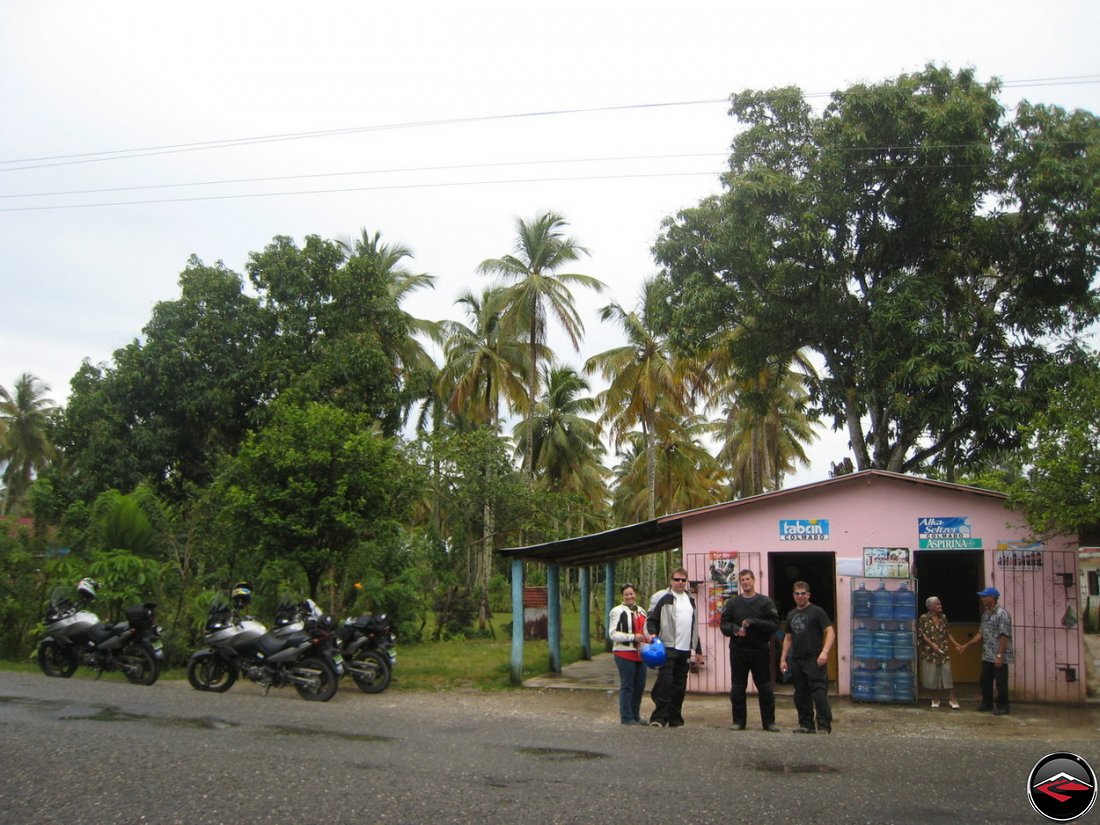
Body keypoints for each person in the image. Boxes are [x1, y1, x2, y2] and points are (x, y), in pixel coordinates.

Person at [719, 569, 780, 731]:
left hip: (759, 650)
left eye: (747, 579)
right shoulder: (732, 603)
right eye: (742, 580)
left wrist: (755, 622)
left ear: (754, 581)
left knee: (765, 687)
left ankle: (769, 722)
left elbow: (774, 625)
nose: (745, 582)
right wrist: (733, 629)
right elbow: (723, 625)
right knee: (738, 687)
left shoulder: (765, 602)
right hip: (738, 651)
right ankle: (738, 721)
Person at [646, 567, 704, 727]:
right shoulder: (664, 599)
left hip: (685, 649)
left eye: (683, 580)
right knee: (666, 682)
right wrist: (652, 634)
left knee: (679, 685)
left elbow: (693, 628)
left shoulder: (690, 600)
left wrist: (698, 649)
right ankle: (659, 718)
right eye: (677, 579)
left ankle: (675, 717)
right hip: (668, 646)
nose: (680, 583)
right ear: (671, 581)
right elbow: (651, 620)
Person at [779, 581, 835, 734]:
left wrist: (825, 652)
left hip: (815, 659)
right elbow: (788, 638)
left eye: (803, 593)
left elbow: (830, 632)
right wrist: (783, 659)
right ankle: (806, 725)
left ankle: (824, 726)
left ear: (808, 595)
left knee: (818, 694)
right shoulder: (790, 615)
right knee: (800, 694)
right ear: (793, 596)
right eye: (797, 593)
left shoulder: (817, 612)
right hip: (797, 660)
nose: (800, 596)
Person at [957, 586, 1013, 716]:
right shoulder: (986, 614)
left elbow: (1004, 636)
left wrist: (999, 655)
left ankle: (1003, 705)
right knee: (985, 680)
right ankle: (987, 703)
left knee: (1000, 682)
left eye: (984, 596)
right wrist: (966, 645)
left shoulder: (1002, 614)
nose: (982, 599)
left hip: (999, 654)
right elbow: (981, 633)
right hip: (987, 653)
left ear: (992, 598)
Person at [608, 583, 650, 725]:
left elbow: (645, 630)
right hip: (624, 653)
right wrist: (632, 637)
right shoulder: (617, 611)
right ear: (622, 596)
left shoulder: (642, 611)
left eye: (631, 593)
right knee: (628, 685)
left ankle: (635, 715)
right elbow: (613, 634)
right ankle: (626, 717)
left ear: (635, 594)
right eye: (626, 594)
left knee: (640, 685)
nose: (629, 597)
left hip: (640, 654)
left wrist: (648, 638)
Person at [917, 596, 961, 709]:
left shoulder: (943, 617)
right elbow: (921, 634)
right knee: (932, 676)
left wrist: (956, 644)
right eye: (938, 604)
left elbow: (947, 633)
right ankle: (935, 698)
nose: (940, 606)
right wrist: (932, 644)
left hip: (943, 651)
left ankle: (952, 699)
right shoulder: (923, 618)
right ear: (931, 607)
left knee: (947, 674)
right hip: (929, 652)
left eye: (940, 604)